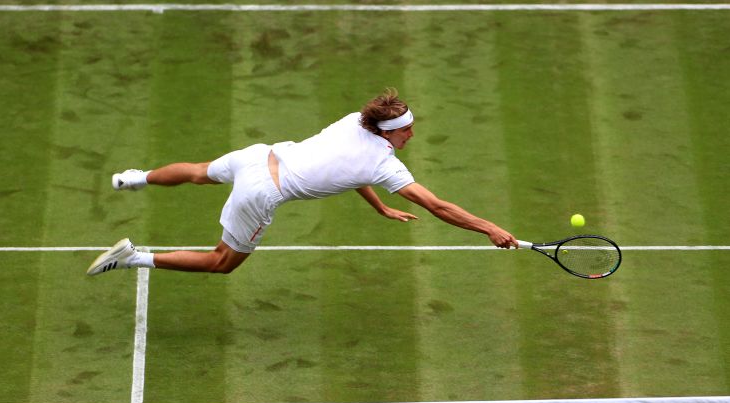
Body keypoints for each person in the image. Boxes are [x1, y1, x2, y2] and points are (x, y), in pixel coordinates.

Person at [87, 88, 517, 276]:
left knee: (200, 172)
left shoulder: (355, 122)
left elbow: (346, 169)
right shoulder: (386, 168)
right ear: (389, 132)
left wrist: (379, 206)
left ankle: (133, 178)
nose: (411, 135)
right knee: (222, 263)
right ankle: (132, 258)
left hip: (258, 156)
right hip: (262, 193)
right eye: (407, 130)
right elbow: (437, 206)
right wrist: (490, 228)